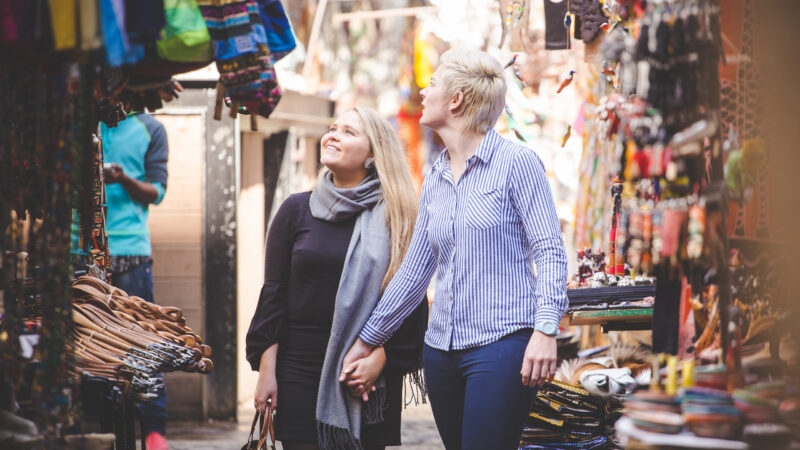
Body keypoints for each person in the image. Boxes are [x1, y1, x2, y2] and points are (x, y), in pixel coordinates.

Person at [340, 48, 569, 450]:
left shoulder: (518, 163)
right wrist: (366, 340)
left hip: (502, 345)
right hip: (441, 351)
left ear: (456, 99)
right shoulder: (437, 173)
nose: (423, 91)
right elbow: (415, 272)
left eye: (432, 83)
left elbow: (550, 251)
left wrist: (546, 328)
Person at [245, 106, 428, 450]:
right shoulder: (295, 210)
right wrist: (266, 372)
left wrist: (380, 359)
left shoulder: (398, 216)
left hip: (365, 377)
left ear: (373, 154)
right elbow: (274, 295)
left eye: (348, 132)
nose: (332, 135)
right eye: (333, 128)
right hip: (298, 371)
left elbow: (410, 301)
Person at [82, 87, 172, 450]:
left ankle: (154, 434)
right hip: (82, 250)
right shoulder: (83, 125)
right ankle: (98, 428)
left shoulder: (151, 128)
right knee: (91, 343)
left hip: (131, 253)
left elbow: (158, 191)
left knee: (144, 342)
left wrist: (122, 179)